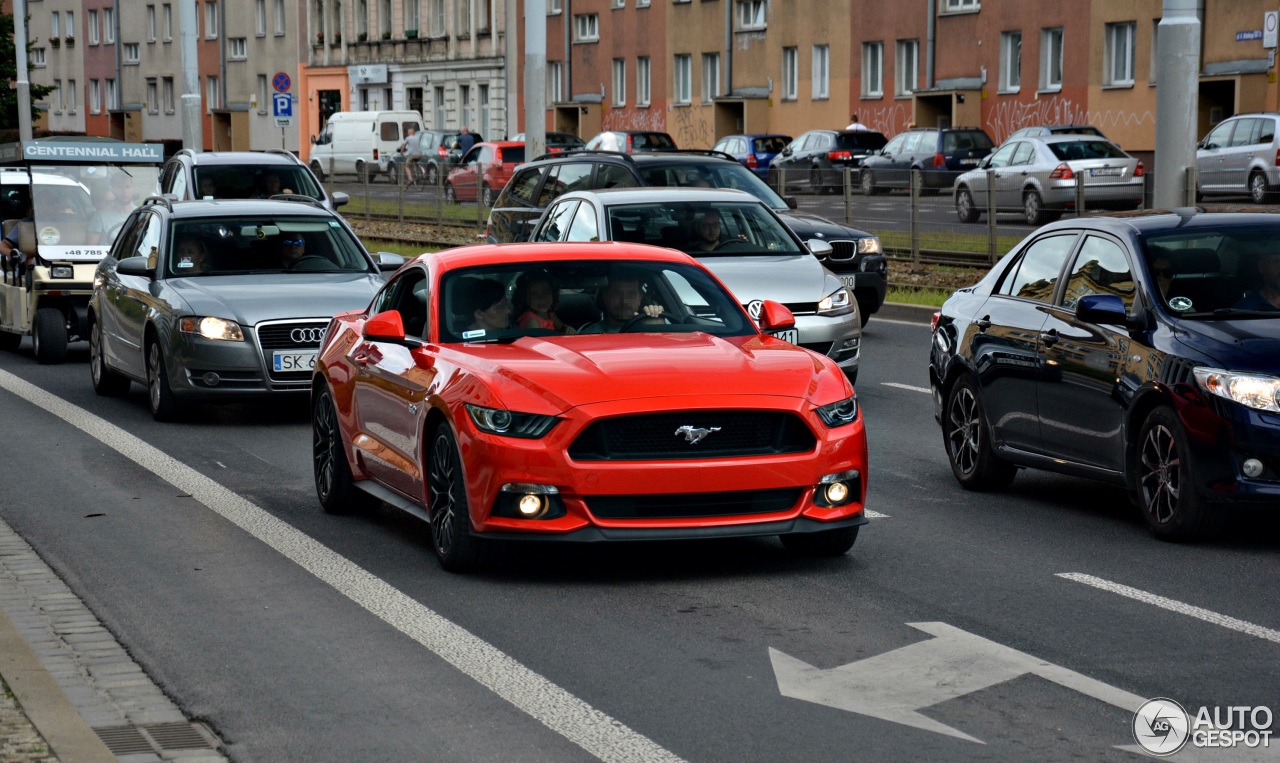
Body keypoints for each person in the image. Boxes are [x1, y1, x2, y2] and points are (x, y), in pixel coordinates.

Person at [579, 270, 664, 333]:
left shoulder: (650, 327)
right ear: (605, 297)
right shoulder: (589, 335)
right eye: (617, 294)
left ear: (640, 298)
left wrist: (657, 328)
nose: (624, 301)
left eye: (631, 295)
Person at [89, 173, 137, 245]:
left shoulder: (141, 214)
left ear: (133, 188)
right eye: (119, 187)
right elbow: (89, 248)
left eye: (127, 187)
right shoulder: (101, 216)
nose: (124, 191)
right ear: (113, 190)